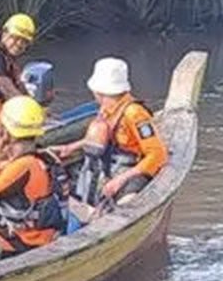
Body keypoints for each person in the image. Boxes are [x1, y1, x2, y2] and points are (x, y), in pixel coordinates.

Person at [0, 96, 67, 258]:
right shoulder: (38, 158)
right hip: (35, 235)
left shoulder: (23, 166)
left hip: (25, 242)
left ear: (8, 133)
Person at [53, 57, 167, 204]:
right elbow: (99, 139)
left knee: (127, 201)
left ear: (98, 91)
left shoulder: (134, 113)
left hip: (132, 168)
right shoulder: (106, 108)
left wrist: (120, 180)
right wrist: (71, 147)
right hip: (109, 163)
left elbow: (158, 154)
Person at [0, 13, 36, 107]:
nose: (19, 44)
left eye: (24, 41)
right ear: (4, 33)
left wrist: (33, 103)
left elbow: (19, 85)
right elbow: (5, 86)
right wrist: (27, 106)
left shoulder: (7, 57)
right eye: (15, 38)